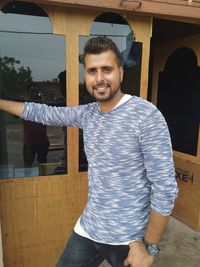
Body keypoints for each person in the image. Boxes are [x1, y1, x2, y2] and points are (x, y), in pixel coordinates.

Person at [0, 36, 178, 267]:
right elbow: (42, 112)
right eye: (92, 71)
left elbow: (165, 188)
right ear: (85, 76)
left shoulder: (146, 116)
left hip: (129, 238)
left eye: (107, 69)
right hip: (88, 228)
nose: (100, 78)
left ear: (121, 72)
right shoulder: (88, 114)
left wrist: (149, 246)